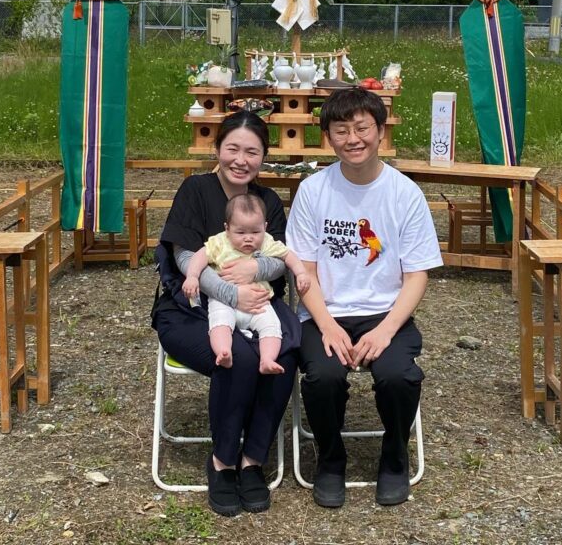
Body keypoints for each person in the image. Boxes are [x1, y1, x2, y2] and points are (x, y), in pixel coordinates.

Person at [286, 87, 443, 508]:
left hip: (386, 313)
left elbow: (417, 274)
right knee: (322, 376)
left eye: (362, 128)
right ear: (328, 137)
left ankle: (394, 459)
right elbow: (306, 273)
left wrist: (386, 330)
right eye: (341, 130)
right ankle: (330, 461)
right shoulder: (313, 190)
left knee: (398, 376)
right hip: (324, 312)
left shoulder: (404, 193)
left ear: (380, 131)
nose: (353, 139)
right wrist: (327, 325)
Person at [151, 111, 299, 517]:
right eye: (232, 148)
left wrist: (256, 269)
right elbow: (183, 256)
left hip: (260, 304)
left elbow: (282, 258)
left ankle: (253, 459)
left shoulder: (266, 201)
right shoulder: (195, 191)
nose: (241, 159)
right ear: (217, 149)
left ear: (263, 157)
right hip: (191, 309)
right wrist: (231, 294)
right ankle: (223, 461)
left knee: (286, 349)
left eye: (252, 151)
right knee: (240, 357)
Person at [182, 192, 311, 374]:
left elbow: (288, 255)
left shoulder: (266, 242)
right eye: (240, 232)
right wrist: (192, 276)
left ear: (265, 227)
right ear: (227, 228)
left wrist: (301, 273)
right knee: (219, 323)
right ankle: (223, 351)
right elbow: (199, 256)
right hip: (224, 299)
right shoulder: (220, 242)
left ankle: (267, 359)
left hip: (259, 301)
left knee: (272, 326)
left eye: (255, 232)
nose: (248, 238)